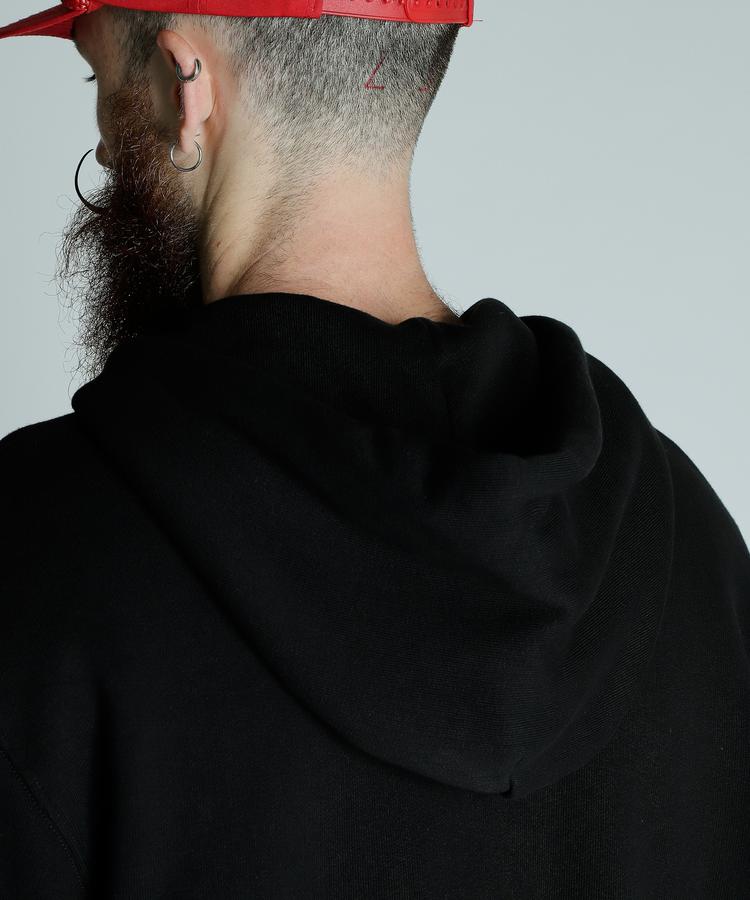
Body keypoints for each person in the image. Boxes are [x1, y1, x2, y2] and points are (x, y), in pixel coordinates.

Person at [1, 2, 748, 898]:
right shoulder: (696, 551)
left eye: (102, 80)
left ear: (183, 85)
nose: (106, 148)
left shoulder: (34, 549)